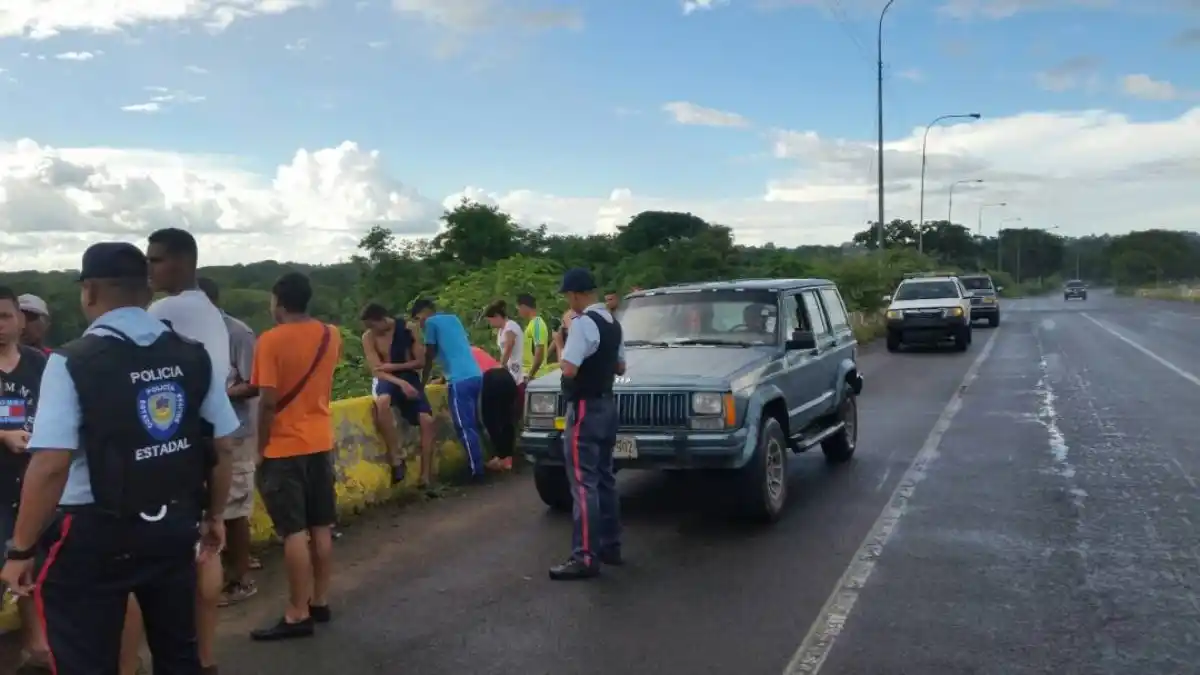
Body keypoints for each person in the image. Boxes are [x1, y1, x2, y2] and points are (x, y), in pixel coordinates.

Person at [0, 242, 238, 675]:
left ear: (89, 292)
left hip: (94, 532)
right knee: (178, 652)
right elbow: (223, 445)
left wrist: (21, 550)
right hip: (173, 522)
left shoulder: (73, 361)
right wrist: (214, 515)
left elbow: (51, 463)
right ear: (147, 291)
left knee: (84, 657)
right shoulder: (190, 354)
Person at [146, 227, 231, 674]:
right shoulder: (210, 312)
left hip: (174, 443)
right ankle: (206, 657)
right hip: (213, 440)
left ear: (181, 262)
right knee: (208, 546)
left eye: (155, 260)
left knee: (137, 565)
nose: (149, 268)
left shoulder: (166, 309)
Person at [250, 272, 341, 641]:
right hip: (320, 440)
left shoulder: (270, 341)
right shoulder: (331, 334)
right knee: (321, 526)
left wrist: (259, 448)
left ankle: (296, 613)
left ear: (280, 303)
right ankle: (319, 601)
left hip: (284, 448)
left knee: (293, 532)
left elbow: (268, 401)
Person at [549, 268, 625, 581]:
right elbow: (621, 366)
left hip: (583, 409)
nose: (569, 301)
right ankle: (610, 546)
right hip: (607, 405)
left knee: (583, 483)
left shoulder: (582, 324)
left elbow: (568, 369)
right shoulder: (613, 323)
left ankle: (585, 556)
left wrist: (562, 338)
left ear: (577, 295)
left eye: (568, 296)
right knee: (605, 478)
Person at [196, 277, 260, 608]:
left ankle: (240, 579)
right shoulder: (187, 332)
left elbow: (254, 383)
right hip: (199, 435)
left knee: (234, 511)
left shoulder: (237, 332)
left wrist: (215, 396)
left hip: (233, 432)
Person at [0, 286, 51, 673]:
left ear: (20, 319)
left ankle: (38, 647)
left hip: (35, 482)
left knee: (32, 562)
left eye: (4, 317)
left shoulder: (41, 364)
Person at [359, 303, 437, 490]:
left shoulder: (408, 329)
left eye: (373, 325)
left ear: (383, 319)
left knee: (427, 420)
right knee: (382, 402)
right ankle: (396, 457)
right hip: (388, 379)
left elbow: (419, 361)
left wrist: (395, 368)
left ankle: (425, 475)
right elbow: (377, 370)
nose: (371, 330)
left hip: (407, 374)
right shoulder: (369, 337)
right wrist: (399, 382)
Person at [412, 299, 485, 479]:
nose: (419, 324)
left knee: (464, 426)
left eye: (417, 318)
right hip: (476, 374)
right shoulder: (453, 319)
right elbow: (454, 350)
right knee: (476, 423)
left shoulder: (430, 323)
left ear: (424, 312)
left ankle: (476, 471)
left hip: (460, 381)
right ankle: (482, 462)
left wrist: (422, 383)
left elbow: (429, 355)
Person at [470, 343, 520, 473]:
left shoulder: (462, 353)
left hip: (492, 378)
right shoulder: (477, 350)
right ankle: (507, 458)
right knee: (507, 418)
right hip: (506, 375)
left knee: (490, 419)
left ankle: (500, 457)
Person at [516, 294, 548, 383]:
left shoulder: (537, 324)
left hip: (535, 376)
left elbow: (539, 350)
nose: (518, 312)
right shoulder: (531, 324)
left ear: (523, 307)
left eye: (518, 308)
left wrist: (531, 374)